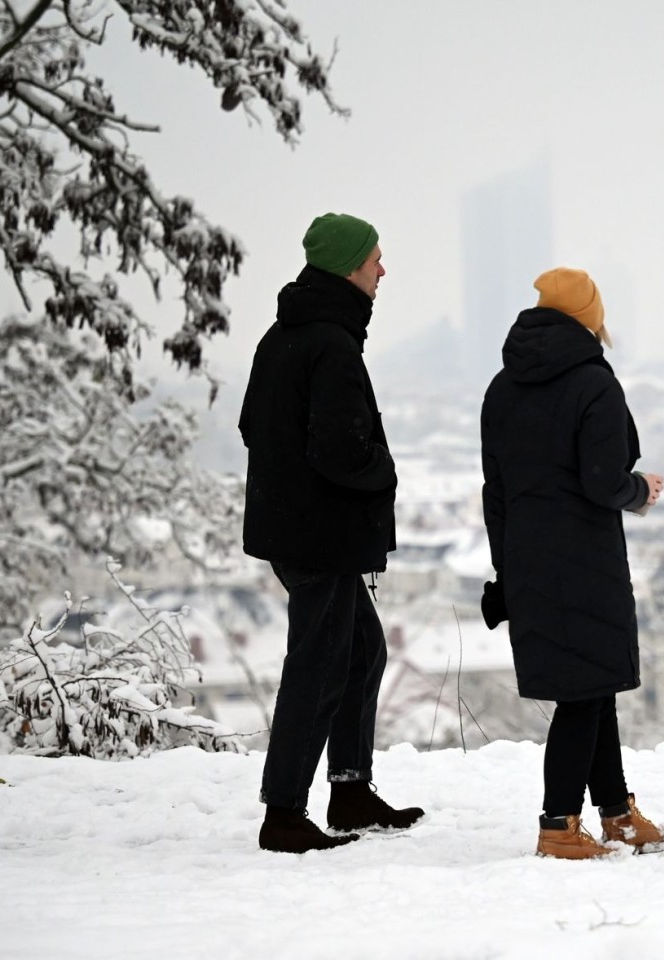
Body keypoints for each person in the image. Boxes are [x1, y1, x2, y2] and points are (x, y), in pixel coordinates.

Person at [480, 267, 664, 859]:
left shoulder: (501, 387)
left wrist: (507, 569)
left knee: (595, 686)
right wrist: (638, 490)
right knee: (582, 694)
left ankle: (616, 813)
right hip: (584, 558)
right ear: (591, 316)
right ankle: (558, 826)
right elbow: (601, 480)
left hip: (528, 557)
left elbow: (497, 490)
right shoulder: (594, 384)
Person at [239, 212, 424, 854]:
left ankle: (348, 791)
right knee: (319, 664)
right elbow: (344, 452)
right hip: (321, 535)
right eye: (375, 258)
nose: (382, 269)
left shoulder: (282, 338)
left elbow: (250, 426)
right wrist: (385, 470)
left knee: (361, 651)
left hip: (300, 530)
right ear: (349, 266)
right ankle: (284, 813)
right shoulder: (331, 344)